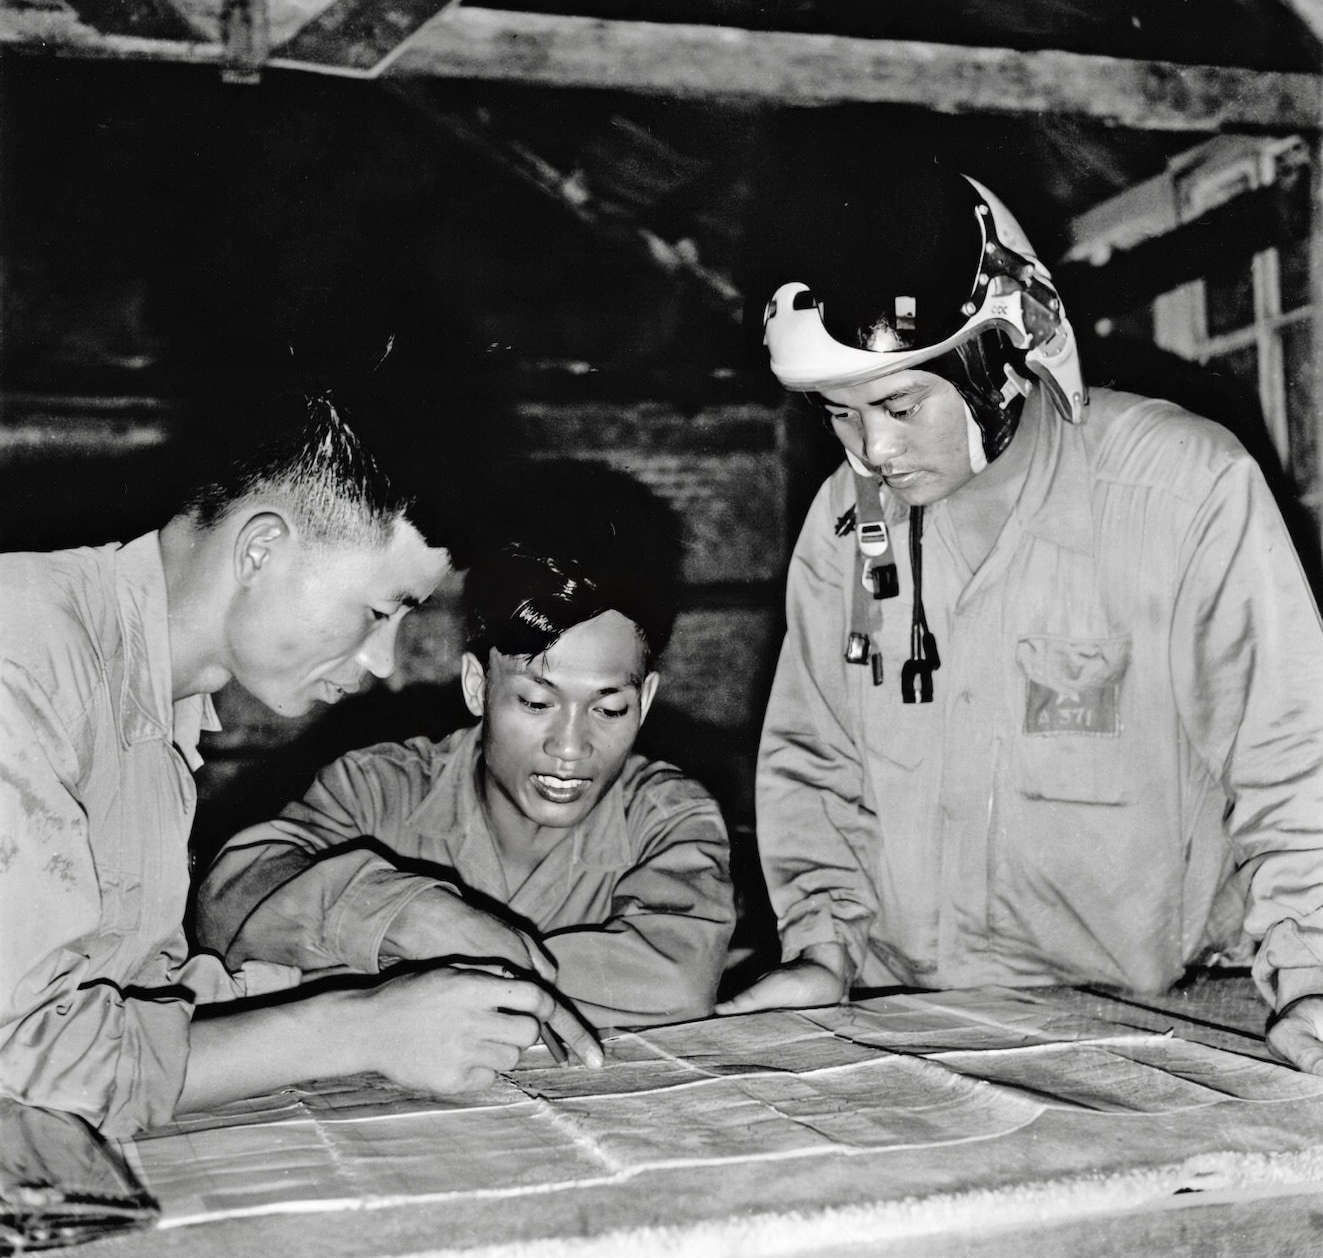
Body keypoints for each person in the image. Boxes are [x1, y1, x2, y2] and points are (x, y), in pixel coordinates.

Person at [715, 162, 1323, 1074]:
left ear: (1000, 355)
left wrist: (1311, 971)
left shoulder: (1183, 490)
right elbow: (816, 760)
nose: (871, 450)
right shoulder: (847, 525)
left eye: (899, 404)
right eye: (838, 414)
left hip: (1151, 1019)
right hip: (904, 1018)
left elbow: (1294, 757)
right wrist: (820, 948)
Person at [0, 395, 601, 1139]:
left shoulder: (154, 703)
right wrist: (361, 1026)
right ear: (260, 551)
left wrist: (399, 984)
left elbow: (135, 1008)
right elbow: (26, 1062)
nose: (383, 662)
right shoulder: (20, 656)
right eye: (382, 612)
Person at [195, 536, 735, 1028]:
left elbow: (679, 981)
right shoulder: (377, 790)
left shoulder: (666, 816)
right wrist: (411, 916)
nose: (570, 747)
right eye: (536, 702)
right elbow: (228, 904)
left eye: (610, 708)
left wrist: (425, 974)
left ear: (644, 703)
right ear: (477, 687)